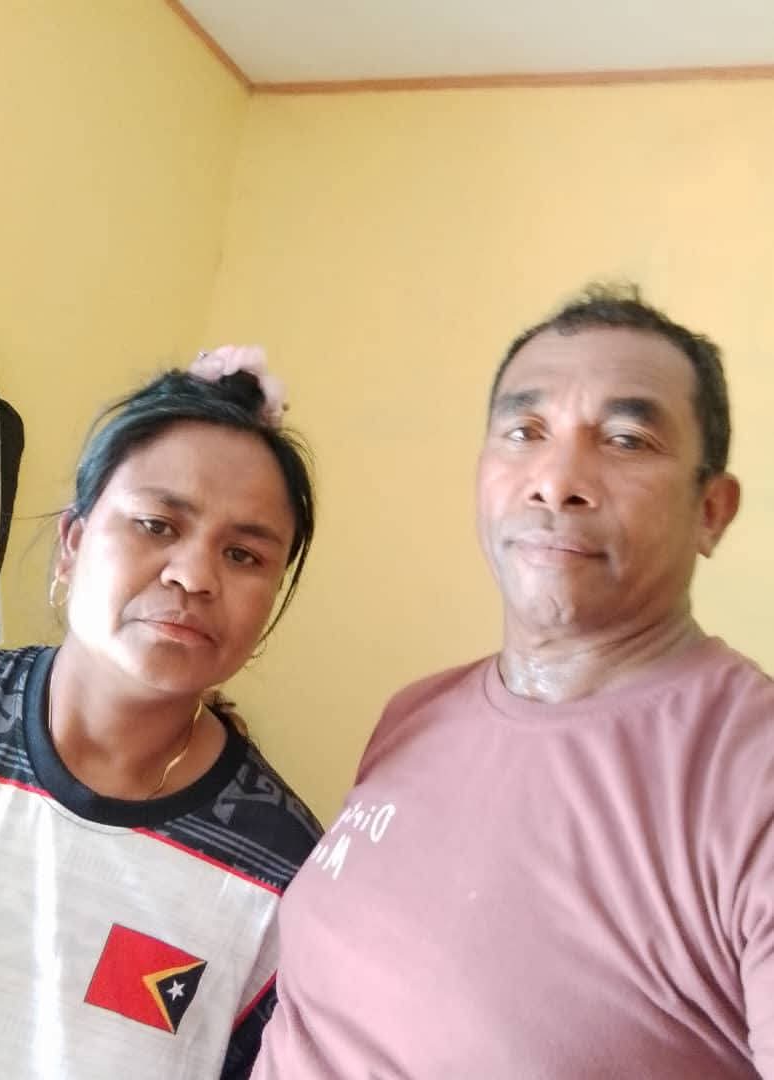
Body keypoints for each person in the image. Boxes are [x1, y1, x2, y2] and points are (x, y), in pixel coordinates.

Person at [253, 286, 774, 1079]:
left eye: (627, 440)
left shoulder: (751, 773)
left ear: (712, 510)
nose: (556, 481)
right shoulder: (416, 713)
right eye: (525, 432)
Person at [0, 345, 321, 1079]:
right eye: (157, 524)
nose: (193, 576)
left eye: (244, 555)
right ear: (72, 543)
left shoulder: (280, 872)